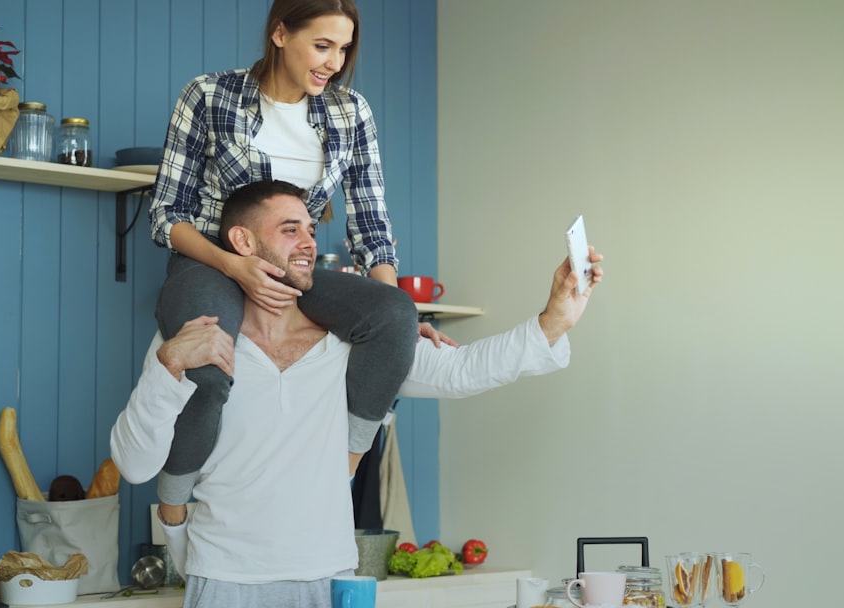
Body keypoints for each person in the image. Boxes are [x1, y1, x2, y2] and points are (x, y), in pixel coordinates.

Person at [111, 180, 603, 608]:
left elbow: (463, 370)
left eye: (310, 230)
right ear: (242, 241)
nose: (308, 243)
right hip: (224, 581)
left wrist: (554, 318)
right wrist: (168, 363)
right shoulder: (195, 341)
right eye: (290, 230)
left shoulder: (352, 345)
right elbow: (133, 465)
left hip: (331, 579)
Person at [147, 0, 452, 529]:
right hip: (212, 261)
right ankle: (174, 504)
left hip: (293, 270)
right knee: (208, 368)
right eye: (322, 45)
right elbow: (166, 215)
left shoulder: (350, 112)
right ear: (281, 34)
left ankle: (343, 467)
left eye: (344, 48)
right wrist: (234, 266)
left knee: (395, 314)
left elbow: (371, 224)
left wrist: (395, 307)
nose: (335, 62)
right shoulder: (209, 94)